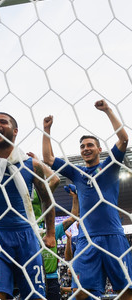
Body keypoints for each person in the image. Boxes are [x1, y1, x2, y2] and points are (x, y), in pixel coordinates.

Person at [42, 99, 132, 299]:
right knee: (80, 293)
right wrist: (46, 129)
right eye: (82, 146)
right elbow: (48, 159)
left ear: (99, 149)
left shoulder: (110, 167)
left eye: (90, 145)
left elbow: (124, 139)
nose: (85, 148)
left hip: (113, 237)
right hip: (86, 240)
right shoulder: (77, 173)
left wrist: (108, 110)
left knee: (125, 292)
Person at [0, 112, 56, 300]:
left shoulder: (32, 165)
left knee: (35, 297)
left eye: (2, 122)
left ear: (15, 131)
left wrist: (51, 233)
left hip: (27, 238)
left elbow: (47, 199)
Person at [32, 185, 79, 300]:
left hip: (51, 278)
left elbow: (72, 218)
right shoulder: (28, 230)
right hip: (35, 276)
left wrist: (75, 197)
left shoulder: (52, 229)